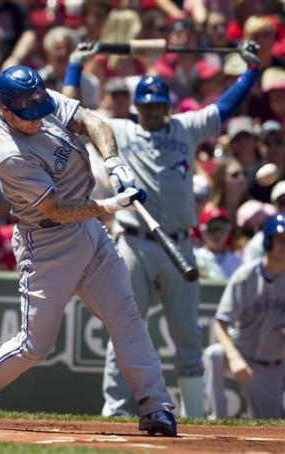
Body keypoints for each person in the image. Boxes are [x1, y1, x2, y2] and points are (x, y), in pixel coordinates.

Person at [0, 65, 178, 437]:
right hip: (46, 242)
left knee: (126, 316)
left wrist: (114, 162)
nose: (38, 118)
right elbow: (55, 210)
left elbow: (92, 122)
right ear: (7, 110)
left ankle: (155, 406)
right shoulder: (7, 153)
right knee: (35, 346)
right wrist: (110, 205)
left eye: (40, 108)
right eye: (27, 116)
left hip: (88, 230)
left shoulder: (37, 99)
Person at [95, 40, 262, 417]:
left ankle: (197, 413)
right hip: (134, 242)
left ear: (167, 105)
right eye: (147, 106)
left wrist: (251, 72)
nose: (152, 112)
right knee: (125, 328)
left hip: (178, 242)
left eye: (158, 105)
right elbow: (76, 114)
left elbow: (224, 108)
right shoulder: (120, 129)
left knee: (187, 334)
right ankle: (116, 408)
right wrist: (77, 67)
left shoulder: (184, 128)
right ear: (136, 106)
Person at [203, 213, 285, 419]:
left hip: (271, 365)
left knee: (269, 426)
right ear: (268, 241)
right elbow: (220, 324)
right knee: (215, 355)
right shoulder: (246, 275)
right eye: (281, 240)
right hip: (241, 354)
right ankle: (216, 420)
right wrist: (234, 357)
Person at [195, 207, 243, 280]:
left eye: (222, 228)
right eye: (212, 228)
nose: (217, 234)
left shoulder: (237, 261)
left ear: (228, 232)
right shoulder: (194, 258)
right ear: (203, 231)